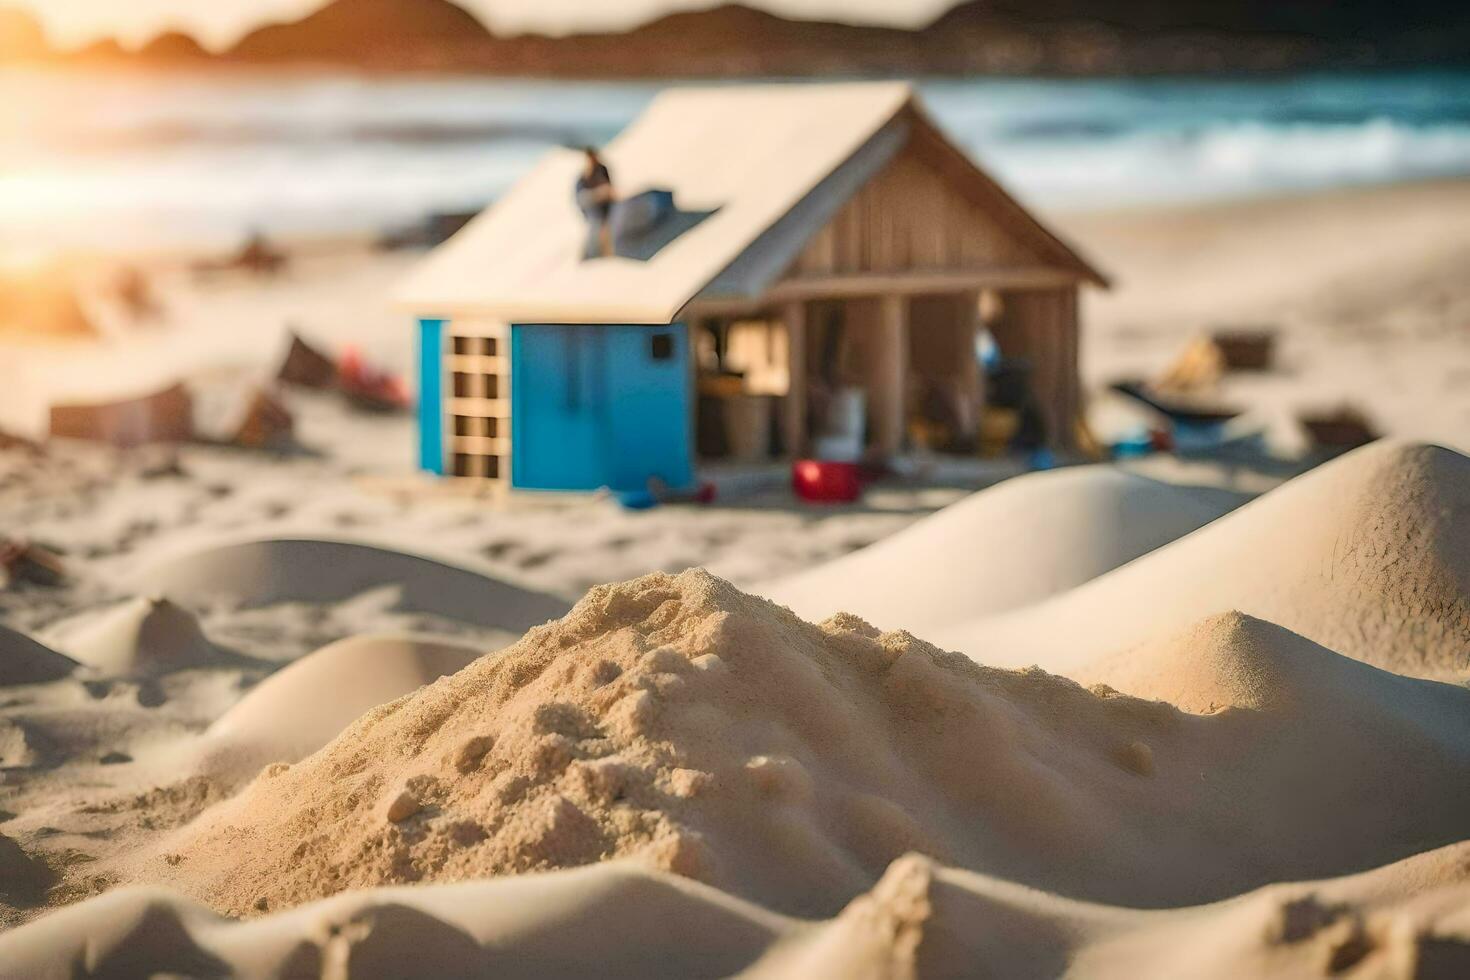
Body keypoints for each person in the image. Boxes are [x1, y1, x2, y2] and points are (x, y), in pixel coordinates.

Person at [575, 146, 616, 258]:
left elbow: (609, 186)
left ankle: (605, 252)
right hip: (593, 209)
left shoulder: (602, 169)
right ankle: (590, 254)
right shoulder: (583, 177)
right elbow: (581, 198)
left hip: (607, 205)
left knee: (606, 227)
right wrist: (599, 194)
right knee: (596, 227)